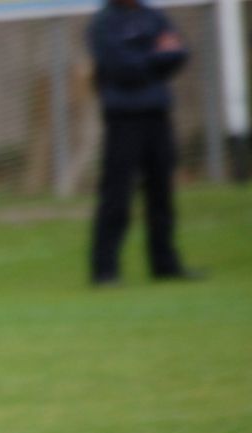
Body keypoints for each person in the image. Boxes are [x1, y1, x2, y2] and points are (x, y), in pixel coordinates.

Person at [88, 0, 199, 286]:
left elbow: (178, 52)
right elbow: (120, 66)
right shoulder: (105, 22)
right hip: (123, 117)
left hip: (157, 113)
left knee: (161, 191)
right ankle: (105, 269)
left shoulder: (154, 16)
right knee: (117, 194)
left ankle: (164, 263)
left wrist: (149, 57)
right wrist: (155, 56)